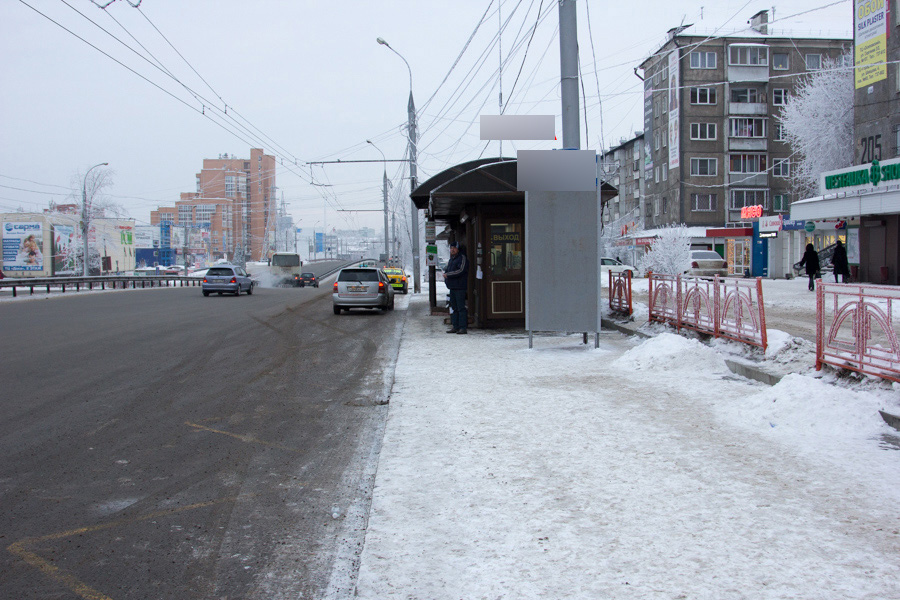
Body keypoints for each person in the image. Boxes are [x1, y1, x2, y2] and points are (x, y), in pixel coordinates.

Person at [442, 241, 469, 334]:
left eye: (454, 248)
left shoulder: (462, 258)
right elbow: (448, 270)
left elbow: (460, 270)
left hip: (460, 287)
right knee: (454, 307)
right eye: (451, 248)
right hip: (452, 287)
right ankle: (455, 326)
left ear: (458, 249)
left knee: (461, 307)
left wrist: (448, 275)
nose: (452, 250)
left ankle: (463, 327)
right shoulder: (451, 259)